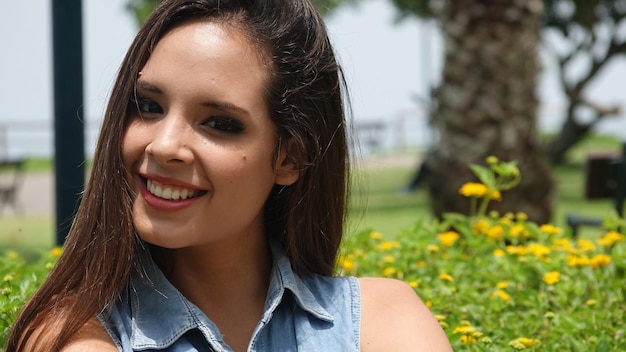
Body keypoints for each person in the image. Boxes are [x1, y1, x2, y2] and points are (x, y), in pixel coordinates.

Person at [6, 0, 452, 351]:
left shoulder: (381, 320)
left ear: (289, 158)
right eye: (148, 106)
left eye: (219, 122)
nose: (164, 145)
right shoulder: (72, 336)